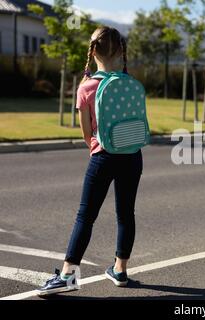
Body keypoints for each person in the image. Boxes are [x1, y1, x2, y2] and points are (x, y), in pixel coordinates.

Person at [38, 26, 143, 296]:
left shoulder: (86, 87)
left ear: (93, 50)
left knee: (86, 216)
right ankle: (120, 270)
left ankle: (67, 275)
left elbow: (86, 133)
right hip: (132, 155)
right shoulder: (129, 82)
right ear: (121, 51)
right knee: (126, 214)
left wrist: (96, 147)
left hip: (103, 156)